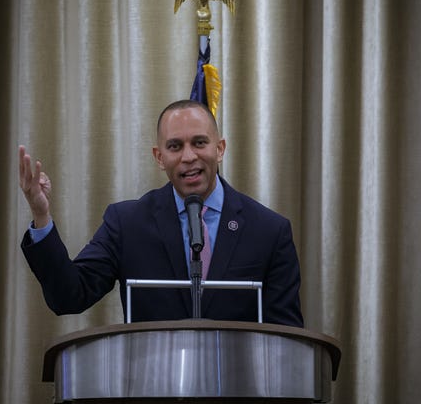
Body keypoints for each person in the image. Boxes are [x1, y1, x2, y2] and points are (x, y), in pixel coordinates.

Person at [19, 99, 304, 327]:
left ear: (220, 149)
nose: (188, 156)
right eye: (175, 146)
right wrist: (41, 216)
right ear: (159, 157)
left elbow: (285, 337)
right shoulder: (127, 223)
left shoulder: (269, 230)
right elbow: (69, 296)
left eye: (200, 143)